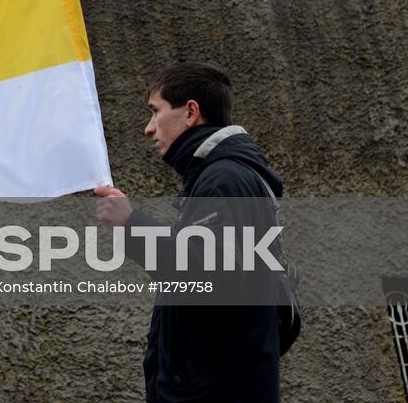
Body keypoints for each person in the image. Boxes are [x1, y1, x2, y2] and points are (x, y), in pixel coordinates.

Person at [95, 62, 285, 402]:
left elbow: (207, 275)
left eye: (156, 112)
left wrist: (131, 224)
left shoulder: (224, 179)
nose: (148, 129)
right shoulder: (220, 177)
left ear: (191, 112)